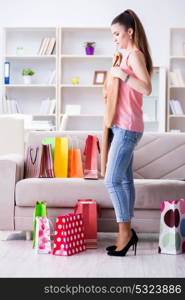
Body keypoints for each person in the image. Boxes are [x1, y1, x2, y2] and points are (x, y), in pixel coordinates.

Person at [104, 9, 153, 256]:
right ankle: (126, 232)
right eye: (112, 34)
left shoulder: (134, 55)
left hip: (128, 127)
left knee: (111, 180)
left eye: (117, 33)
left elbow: (147, 88)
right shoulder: (122, 54)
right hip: (122, 125)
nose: (114, 38)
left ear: (129, 32)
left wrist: (122, 75)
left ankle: (125, 232)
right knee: (124, 180)